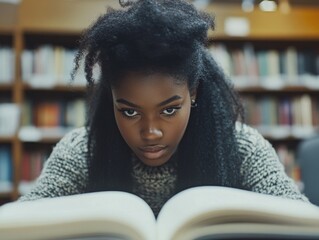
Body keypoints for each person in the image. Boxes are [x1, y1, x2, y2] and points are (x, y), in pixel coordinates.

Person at [19, 0, 307, 216]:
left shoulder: (243, 148)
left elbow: (301, 221)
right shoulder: (82, 151)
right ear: (112, 101)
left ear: (193, 93)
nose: (151, 132)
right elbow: (23, 221)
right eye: (129, 111)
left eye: (169, 110)